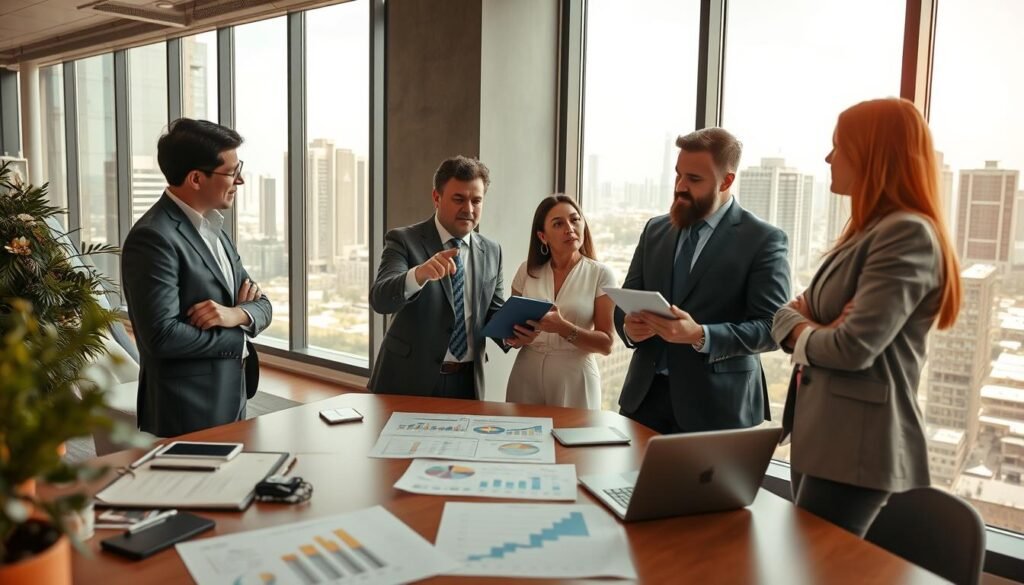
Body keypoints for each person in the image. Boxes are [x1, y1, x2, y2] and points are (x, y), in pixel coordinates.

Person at [771, 97, 961, 537]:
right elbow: (784, 313)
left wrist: (805, 327)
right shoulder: (863, 233)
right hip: (824, 438)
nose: (828, 157)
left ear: (872, 154)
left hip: (856, 448)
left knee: (816, 571)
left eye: (839, 146)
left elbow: (851, 348)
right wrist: (810, 326)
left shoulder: (906, 232)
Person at [614, 127, 791, 434]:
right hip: (643, 401)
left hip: (718, 408)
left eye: (694, 179)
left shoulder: (763, 240)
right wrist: (629, 327)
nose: (681, 186)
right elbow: (625, 302)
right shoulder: (655, 231)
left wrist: (700, 335)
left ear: (727, 181)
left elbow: (771, 328)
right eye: (678, 174)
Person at [122, 118, 273, 437]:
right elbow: (161, 336)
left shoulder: (216, 229)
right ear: (195, 178)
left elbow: (263, 304)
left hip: (231, 393)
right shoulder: (153, 238)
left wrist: (236, 314)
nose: (240, 180)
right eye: (232, 172)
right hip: (186, 407)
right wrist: (238, 336)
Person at [368, 156, 505, 399]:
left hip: (468, 384)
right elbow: (381, 299)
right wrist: (419, 274)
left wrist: (518, 331)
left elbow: (492, 313)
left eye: (476, 200)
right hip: (408, 381)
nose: (469, 209)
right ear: (436, 197)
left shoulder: (492, 251)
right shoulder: (403, 240)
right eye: (458, 199)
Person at [504, 195, 616, 409]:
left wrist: (564, 328)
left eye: (575, 220)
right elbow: (512, 334)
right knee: (520, 441)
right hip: (526, 374)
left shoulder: (600, 274)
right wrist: (518, 338)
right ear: (542, 236)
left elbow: (607, 344)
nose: (569, 228)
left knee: (574, 440)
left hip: (575, 378)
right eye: (558, 223)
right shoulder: (527, 271)